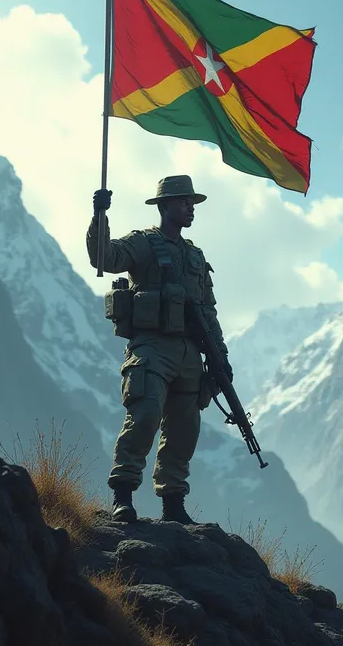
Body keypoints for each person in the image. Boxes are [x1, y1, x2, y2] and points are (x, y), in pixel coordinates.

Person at [86, 174, 232, 525]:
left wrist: (220, 358)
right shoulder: (144, 244)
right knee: (146, 414)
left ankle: (173, 505)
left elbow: (207, 310)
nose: (190, 208)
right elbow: (104, 258)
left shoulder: (195, 256)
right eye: (184, 202)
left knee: (184, 429)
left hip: (189, 353)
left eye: (192, 203)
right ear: (164, 206)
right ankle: (123, 496)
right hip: (151, 347)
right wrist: (100, 217)